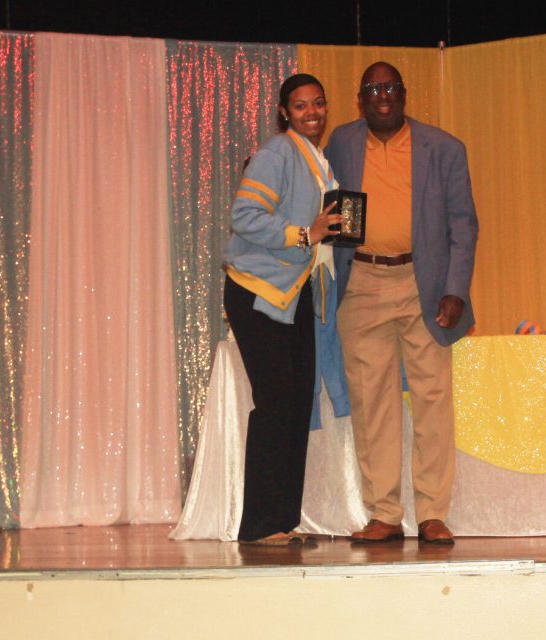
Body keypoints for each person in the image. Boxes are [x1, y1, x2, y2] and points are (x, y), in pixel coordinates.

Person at [325, 61, 478, 545]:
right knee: (372, 404)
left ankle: (432, 512)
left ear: (405, 94)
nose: (382, 95)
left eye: (390, 87)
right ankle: (385, 513)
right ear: (361, 99)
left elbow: (463, 225)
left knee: (432, 400)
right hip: (362, 282)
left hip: (424, 284)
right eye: (372, 89)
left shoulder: (444, 148)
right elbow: (334, 209)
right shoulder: (342, 144)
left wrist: (455, 288)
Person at [223, 73, 341, 546]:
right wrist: (305, 234)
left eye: (318, 104)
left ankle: (282, 519)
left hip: (293, 294)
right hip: (258, 292)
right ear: (284, 112)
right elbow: (244, 217)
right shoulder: (277, 152)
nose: (311, 113)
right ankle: (259, 524)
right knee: (276, 405)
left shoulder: (318, 160)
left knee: (295, 405)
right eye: (300, 106)